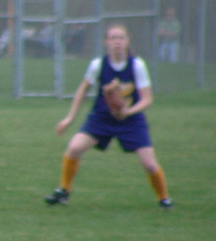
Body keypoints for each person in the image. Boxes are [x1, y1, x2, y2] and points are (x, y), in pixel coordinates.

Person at [44, 23, 172, 208]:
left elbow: (147, 100)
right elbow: (82, 91)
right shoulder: (98, 65)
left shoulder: (137, 65)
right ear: (106, 42)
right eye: (113, 38)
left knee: (150, 164)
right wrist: (69, 118)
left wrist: (127, 111)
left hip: (131, 120)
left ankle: (164, 199)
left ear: (127, 41)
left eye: (121, 37)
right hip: (102, 118)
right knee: (74, 148)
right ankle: (63, 191)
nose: (117, 42)